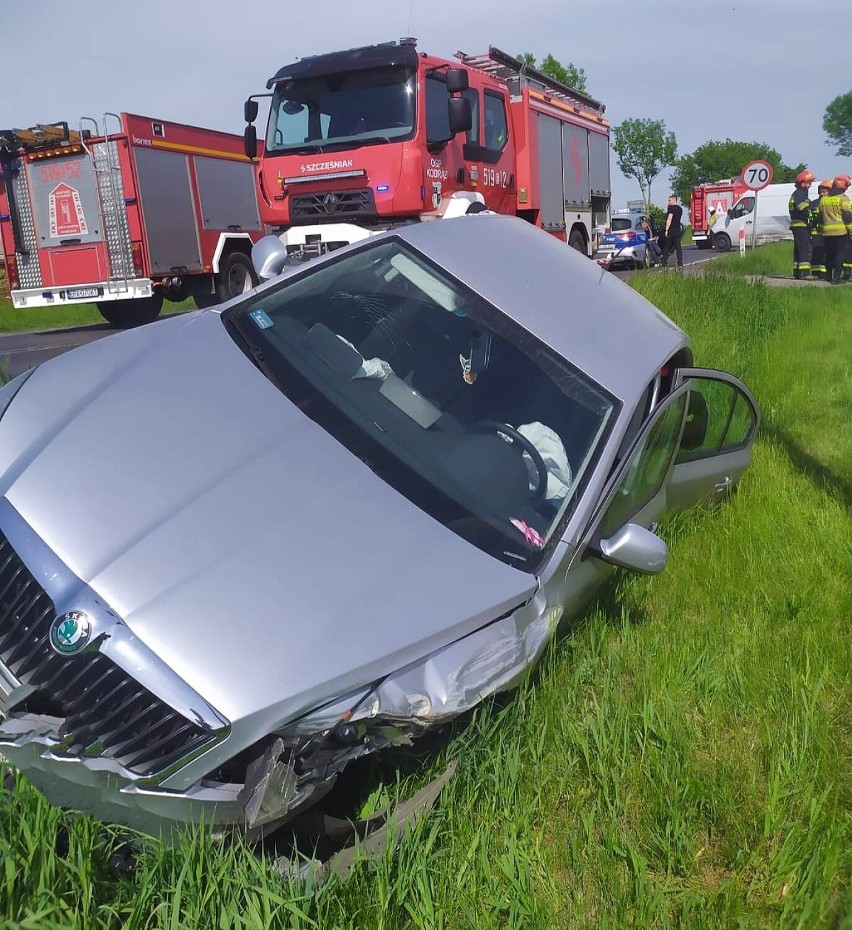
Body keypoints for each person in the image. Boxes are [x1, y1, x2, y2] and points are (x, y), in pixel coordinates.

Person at [819, 174, 852, 284]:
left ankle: (828, 276)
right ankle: (836, 278)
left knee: (829, 254)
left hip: (827, 232)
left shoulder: (823, 200)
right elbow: (848, 218)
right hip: (841, 232)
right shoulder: (844, 199)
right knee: (839, 254)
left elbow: (819, 217)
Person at [789, 170, 815, 278]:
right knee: (805, 248)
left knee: (798, 249)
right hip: (800, 225)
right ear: (803, 183)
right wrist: (809, 203)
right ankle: (804, 273)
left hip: (797, 225)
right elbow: (800, 207)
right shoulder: (801, 193)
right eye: (809, 183)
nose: (810, 185)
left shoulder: (797, 193)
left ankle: (797, 272)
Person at [809, 180, 832, 280]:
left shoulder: (831, 203)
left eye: (825, 192)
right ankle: (815, 272)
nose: (822, 194)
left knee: (827, 252)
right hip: (815, 232)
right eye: (821, 191)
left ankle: (826, 272)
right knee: (816, 252)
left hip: (828, 232)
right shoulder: (813, 203)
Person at [660, 195, 684, 268]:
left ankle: (664, 262)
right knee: (678, 248)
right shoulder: (680, 209)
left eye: (669, 200)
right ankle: (680, 262)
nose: (668, 202)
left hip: (672, 231)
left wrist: (666, 230)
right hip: (678, 230)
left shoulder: (671, 209)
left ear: (674, 200)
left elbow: (669, 219)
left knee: (667, 247)